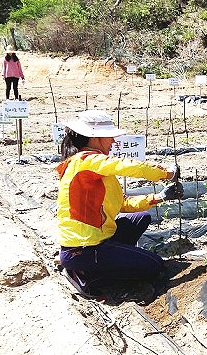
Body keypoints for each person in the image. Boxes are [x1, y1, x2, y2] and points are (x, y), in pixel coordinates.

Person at [56, 110, 183, 297]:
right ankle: (89, 276)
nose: (113, 142)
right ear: (95, 137)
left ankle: (109, 261)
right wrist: (166, 173)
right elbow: (129, 166)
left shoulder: (92, 166)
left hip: (95, 240)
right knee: (155, 266)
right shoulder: (87, 161)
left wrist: (160, 197)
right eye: (110, 137)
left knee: (141, 218)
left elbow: (122, 203)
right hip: (84, 249)